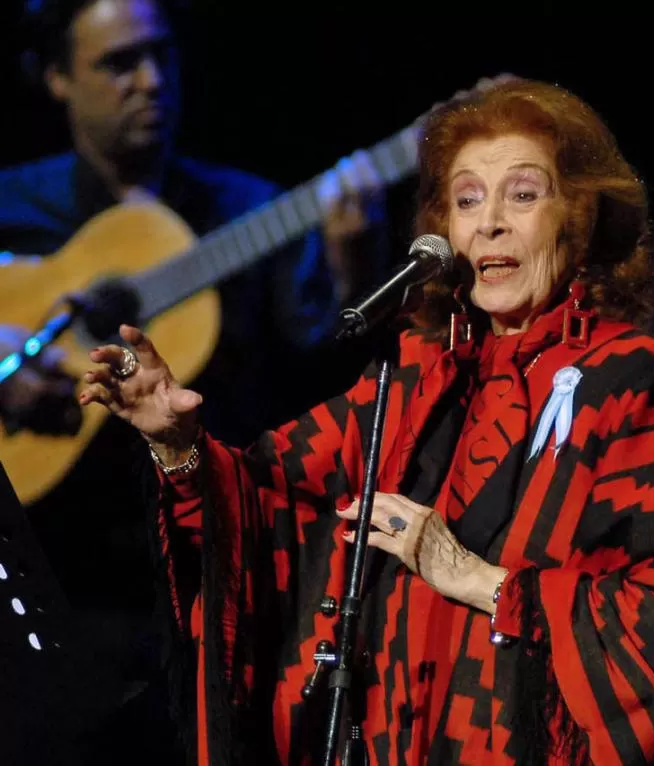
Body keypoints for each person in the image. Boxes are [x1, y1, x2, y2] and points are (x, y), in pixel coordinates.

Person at [79, 78, 654, 765]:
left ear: (580, 218)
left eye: (523, 195)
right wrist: (177, 444)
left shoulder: (636, 378)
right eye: (467, 200)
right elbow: (275, 502)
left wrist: (475, 578)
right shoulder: (414, 373)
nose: (489, 222)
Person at [0, 0, 388, 761]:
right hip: (61, 571)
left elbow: (325, 387)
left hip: (215, 577)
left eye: (162, 57)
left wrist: (356, 274)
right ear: (56, 78)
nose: (150, 81)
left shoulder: (250, 209)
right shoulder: (11, 205)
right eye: (118, 64)